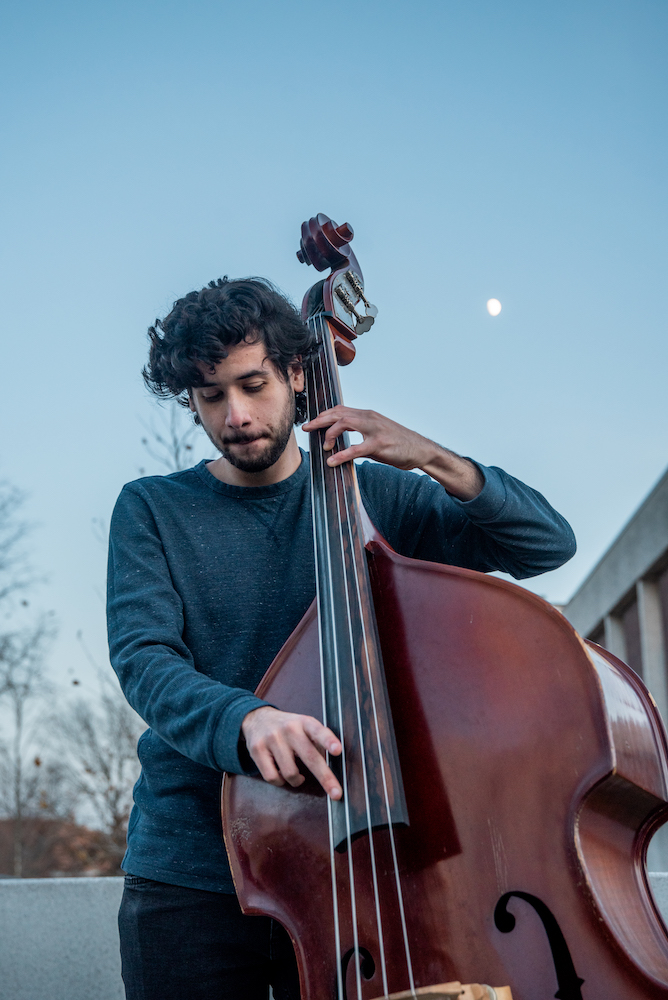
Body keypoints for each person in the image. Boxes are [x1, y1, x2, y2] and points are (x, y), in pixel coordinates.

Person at [108, 276, 576, 1000]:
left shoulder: (369, 494)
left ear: (298, 374)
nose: (236, 416)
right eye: (210, 397)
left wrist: (430, 457)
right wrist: (246, 718)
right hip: (193, 874)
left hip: (363, 871)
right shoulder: (151, 509)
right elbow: (144, 660)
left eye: (254, 385)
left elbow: (545, 543)